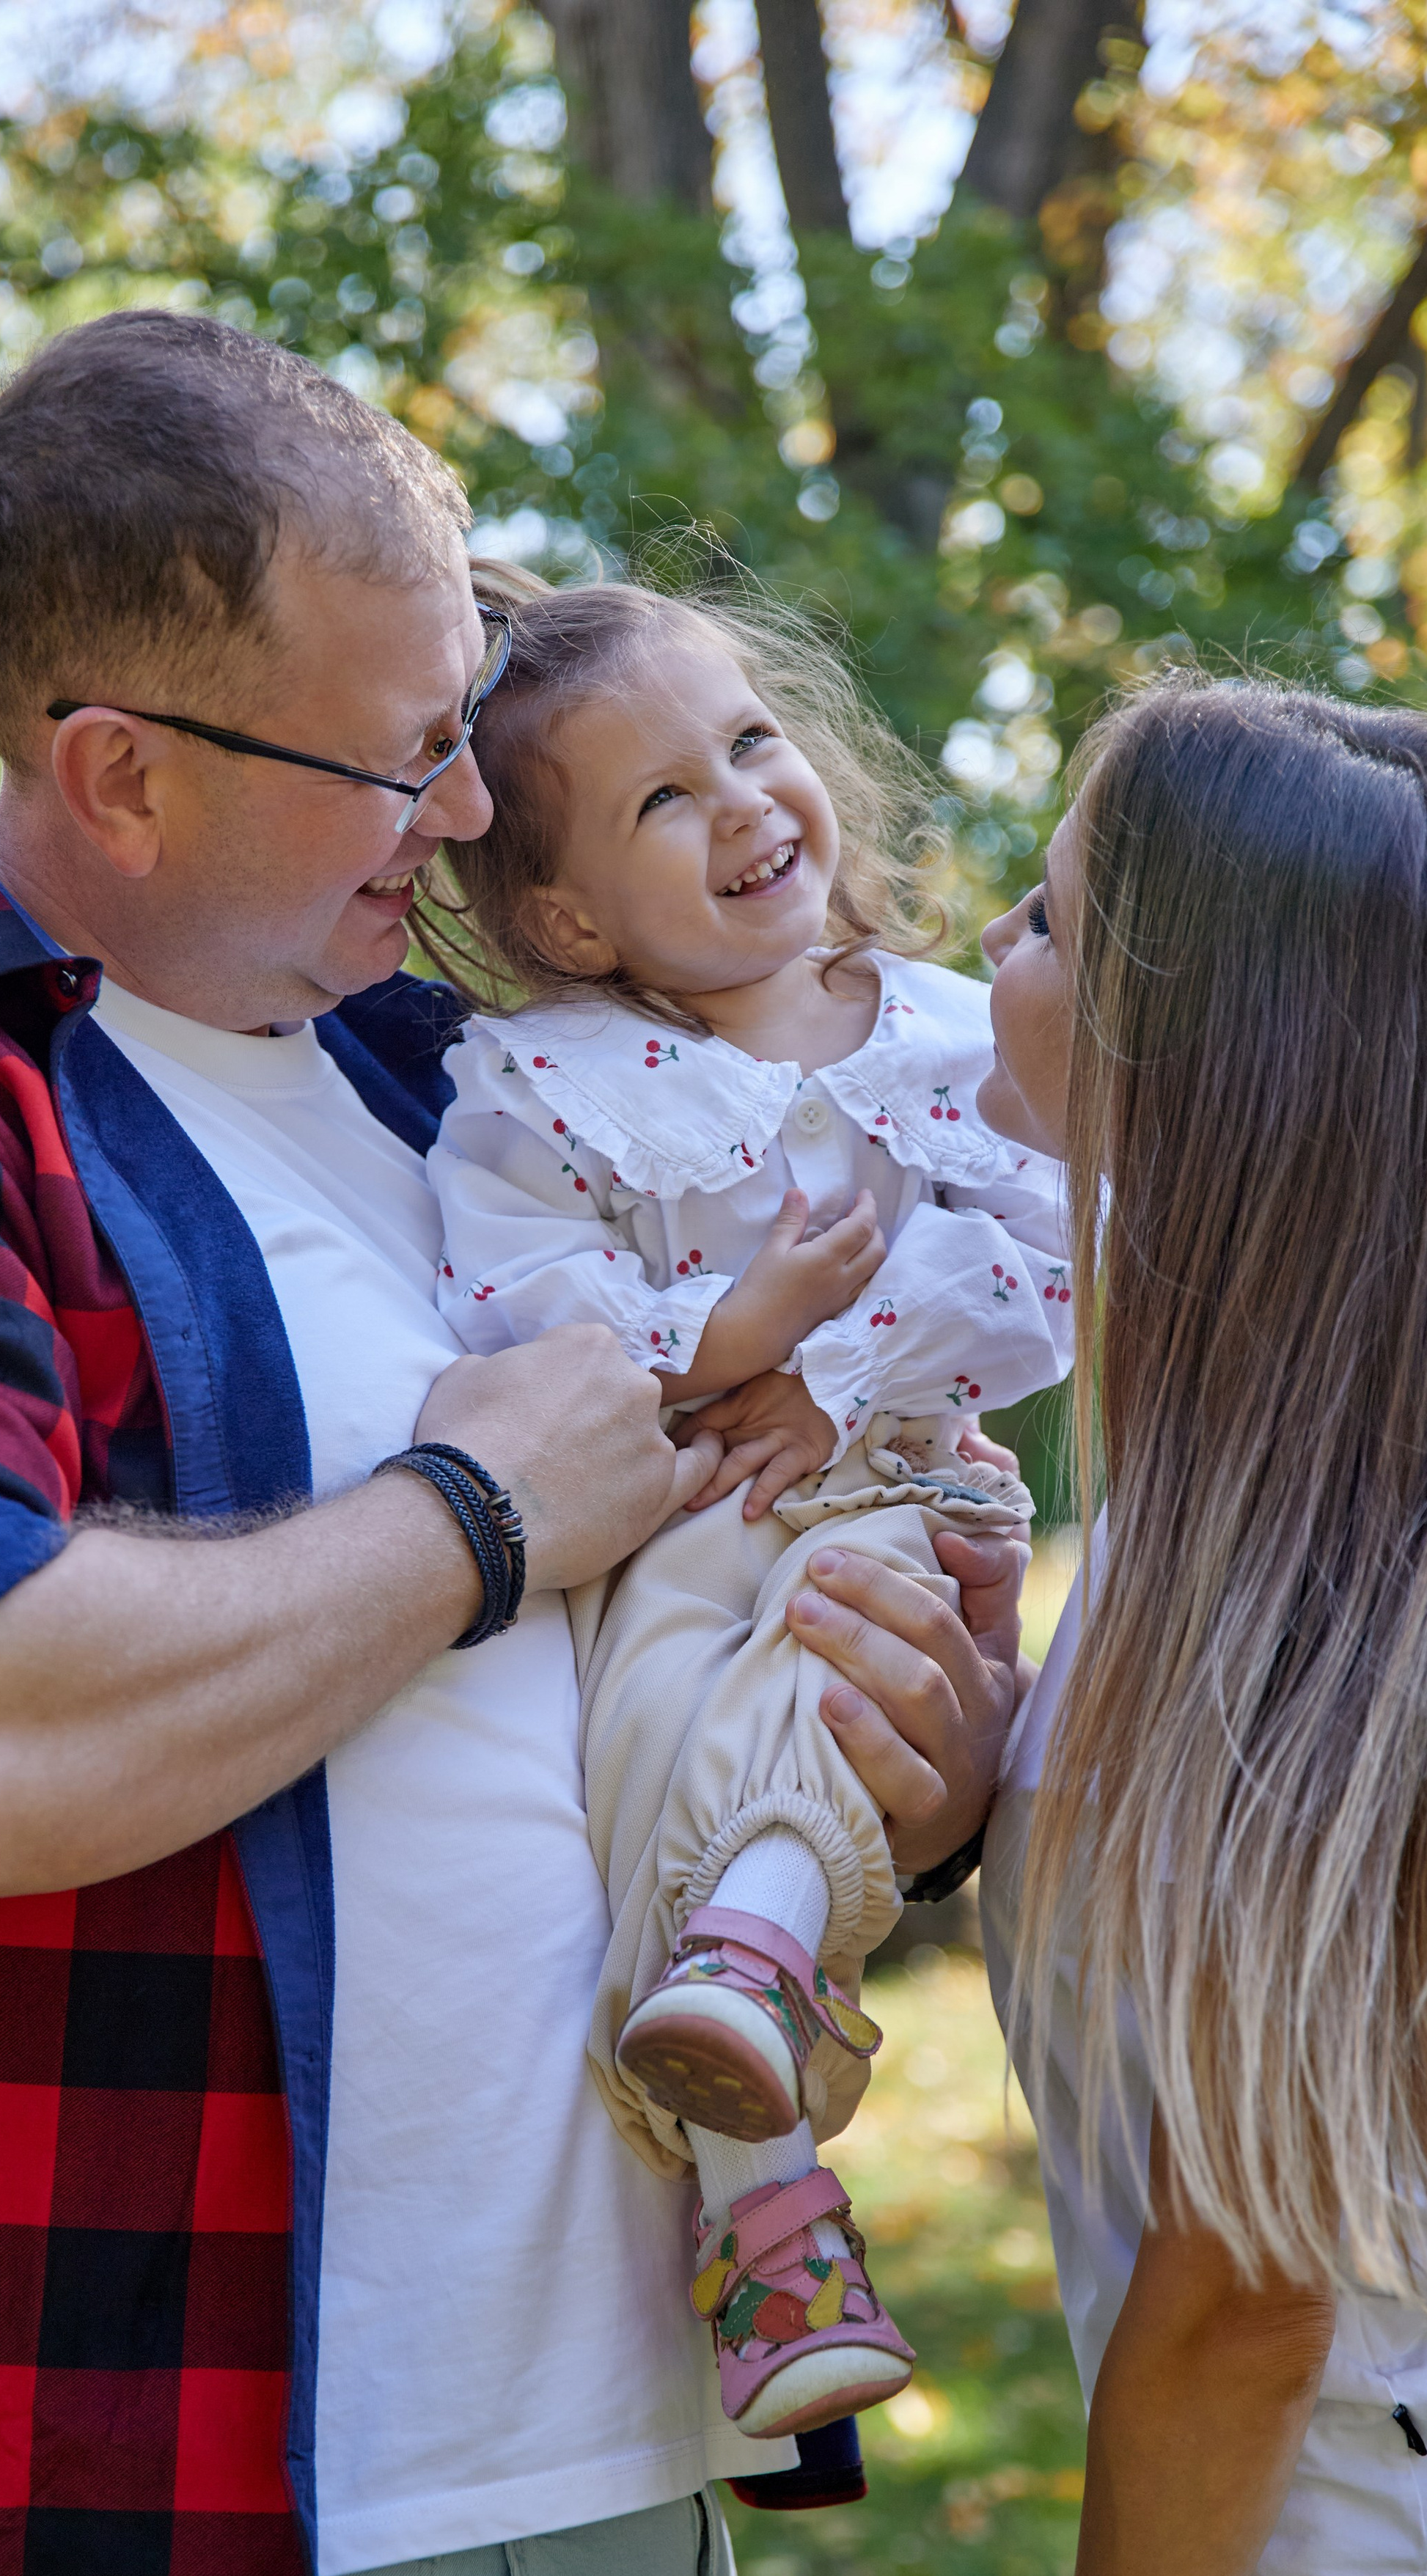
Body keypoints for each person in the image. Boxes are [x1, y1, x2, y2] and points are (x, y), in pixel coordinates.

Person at [0, 307, 1016, 2576]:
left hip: (625, 2476)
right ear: (119, 771)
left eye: (468, 710)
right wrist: (478, 1519)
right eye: (404, 753)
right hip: (295, 2566)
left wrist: (904, 1790)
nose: (468, 805)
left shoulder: (459, 1086)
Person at [423, 573, 1073, 2443]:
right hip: (672, 1516)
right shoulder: (540, 1083)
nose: (743, 803)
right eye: (661, 802)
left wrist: (832, 1367)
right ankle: (766, 2209)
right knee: (638, 1751)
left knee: (810, 1673)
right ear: (559, 914)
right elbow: (509, 1298)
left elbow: (1054, 1259)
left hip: (881, 1485)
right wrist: (725, 1332)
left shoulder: (948, 1030)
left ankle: (755, 1987)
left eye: (750, 742)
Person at [971, 677, 1427, 2576]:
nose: (983, 963)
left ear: (1187, 1062)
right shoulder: (1327, 1498)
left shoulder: (1307, 1592)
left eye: (1042, 920)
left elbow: (1243, 2304)